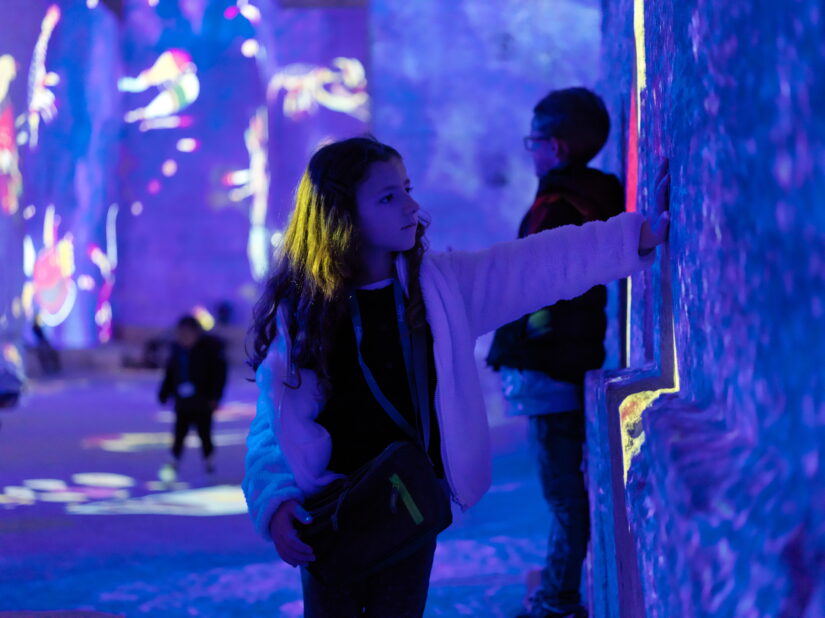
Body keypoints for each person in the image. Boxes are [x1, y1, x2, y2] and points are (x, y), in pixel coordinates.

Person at [242, 136, 668, 617]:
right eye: (388, 197)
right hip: (329, 510)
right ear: (342, 216)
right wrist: (275, 501)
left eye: (406, 188)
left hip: (409, 502)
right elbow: (273, 423)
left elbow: (535, 266)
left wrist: (632, 238)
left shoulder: (440, 289)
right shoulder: (302, 313)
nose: (411, 205)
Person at [485, 87, 634, 618]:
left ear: (560, 145)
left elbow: (536, 286)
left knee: (564, 497)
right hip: (567, 360)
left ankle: (558, 599)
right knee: (566, 495)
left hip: (548, 366)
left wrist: (524, 342)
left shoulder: (555, 206)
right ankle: (557, 589)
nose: (531, 151)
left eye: (536, 141)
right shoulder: (597, 196)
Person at [158, 315, 228, 479]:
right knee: (179, 432)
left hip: (203, 402)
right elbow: (170, 374)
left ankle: (208, 461)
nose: (184, 337)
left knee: (204, 433)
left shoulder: (209, 350)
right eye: (181, 333)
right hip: (182, 402)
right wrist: (164, 392)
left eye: (187, 333)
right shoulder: (177, 350)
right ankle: (174, 460)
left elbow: (219, 375)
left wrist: (215, 397)